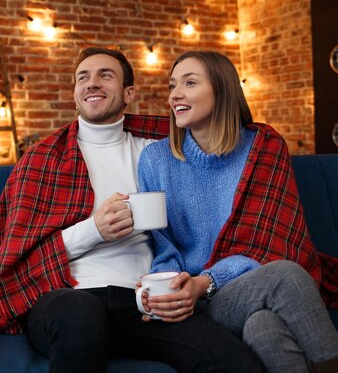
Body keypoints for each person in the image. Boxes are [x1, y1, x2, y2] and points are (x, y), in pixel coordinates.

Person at [0, 47, 264, 373]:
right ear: (75, 95)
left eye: (105, 75)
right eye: (83, 77)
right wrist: (94, 230)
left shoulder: (159, 152)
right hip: (66, 299)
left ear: (129, 93)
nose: (92, 83)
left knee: (233, 359)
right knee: (79, 312)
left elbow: (219, 159)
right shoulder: (42, 159)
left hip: (143, 302)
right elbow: (16, 258)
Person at [137, 50, 338, 373]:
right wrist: (176, 291)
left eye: (189, 83)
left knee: (264, 328)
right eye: (172, 85)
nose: (175, 94)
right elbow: (163, 247)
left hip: (240, 283)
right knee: (287, 277)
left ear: (222, 89)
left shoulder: (265, 147)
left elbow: (274, 245)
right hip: (205, 300)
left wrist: (209, 279)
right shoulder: (155, 160)